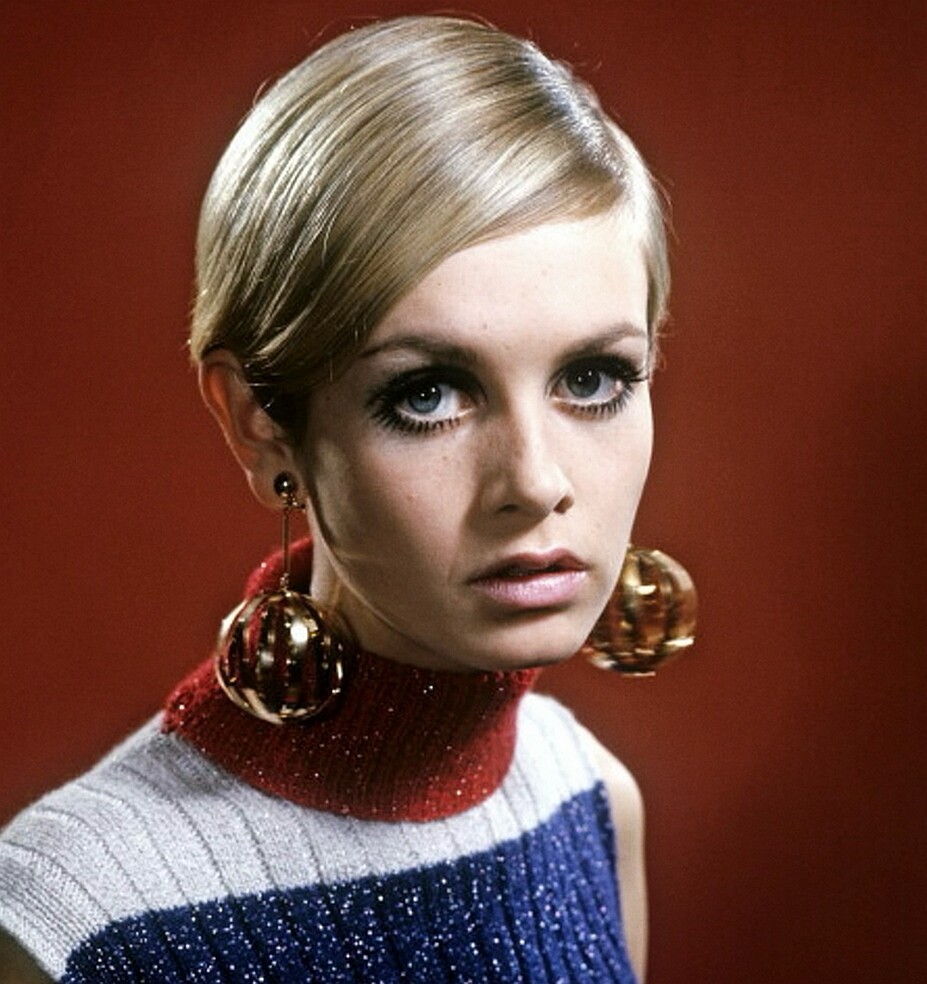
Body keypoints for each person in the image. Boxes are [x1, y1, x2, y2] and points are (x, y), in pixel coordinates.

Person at [0, 15, 693, 982]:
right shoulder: (79, 918)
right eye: (428, 394)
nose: (537, 481)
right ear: (260, 423)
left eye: (592, 379)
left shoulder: (585, 798)